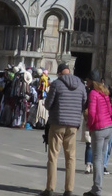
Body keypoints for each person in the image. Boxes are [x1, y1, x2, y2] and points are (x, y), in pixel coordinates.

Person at [40, 60, 87, 196]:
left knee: (53, 156)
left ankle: (50, 189)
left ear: (60, 73)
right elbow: (84, 103)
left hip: (57, 123)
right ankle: (69, 190)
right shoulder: (80, 85)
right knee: (71, 157)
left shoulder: (56, 84)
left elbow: (48, 104)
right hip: (73, 125)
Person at [83, 70, 112, 196]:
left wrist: (90, 126)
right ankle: (97, 187)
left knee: (97, 159)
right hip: (108, 128)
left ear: (91, 81)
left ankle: (97, 189)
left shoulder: (93, 93)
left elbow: (92, 113)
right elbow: (110, 111)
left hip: (99, 129)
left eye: (88, 80)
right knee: (101, 158)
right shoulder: (104, 92)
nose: (86, 82)